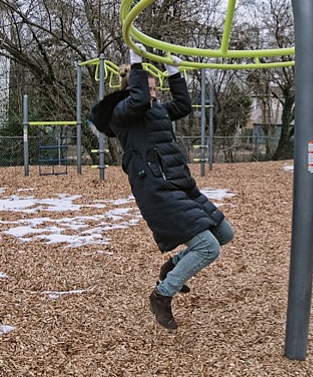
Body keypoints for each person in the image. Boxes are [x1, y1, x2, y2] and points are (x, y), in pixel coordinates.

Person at [89, 46, 234, 330]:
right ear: (132, 88)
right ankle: (161, 295)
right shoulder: (122, 113)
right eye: (149, 88)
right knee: (208, 248)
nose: (153, 94)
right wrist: (136, 62)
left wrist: (174, 72)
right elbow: (139, 99)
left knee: (224, 233)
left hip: (181, 185)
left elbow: (182, 106)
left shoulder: (157, 111)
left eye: (156, 89)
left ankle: (171, 266)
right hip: (155, 189)